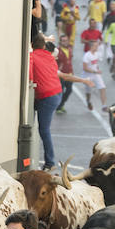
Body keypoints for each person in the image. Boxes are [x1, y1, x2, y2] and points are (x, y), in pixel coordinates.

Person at [29, 34, 93, 170]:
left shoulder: (31, 57)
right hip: (56, 94)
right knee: (40, 122)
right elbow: (64, 76)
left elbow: (29, 77)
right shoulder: (50, 58)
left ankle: (50, 162)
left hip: (46, 96)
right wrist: (84, 80)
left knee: (44, 129)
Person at [82, 39, 108, 111]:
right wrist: (94, 71)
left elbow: (95, 64)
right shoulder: (87, 56)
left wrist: (97, 69)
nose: (97, 47)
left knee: (102, 88)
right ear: (91, 46)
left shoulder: (96, 54)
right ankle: (88, 101)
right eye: (96, 46)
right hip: (88, 76)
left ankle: (104, 106)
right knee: (88, 91)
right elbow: (85, 68)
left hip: (96, 74)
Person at [55, 34, 74, 114]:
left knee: (69, 90)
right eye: (63, 41)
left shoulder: (69, 49)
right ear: (60, 42)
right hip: (61, 75)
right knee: (61, 91)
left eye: (66, 40)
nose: (65, 42)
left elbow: (69, 61)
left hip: (69, 74)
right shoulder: (57, 51)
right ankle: (59, 107)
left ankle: (61, 104)